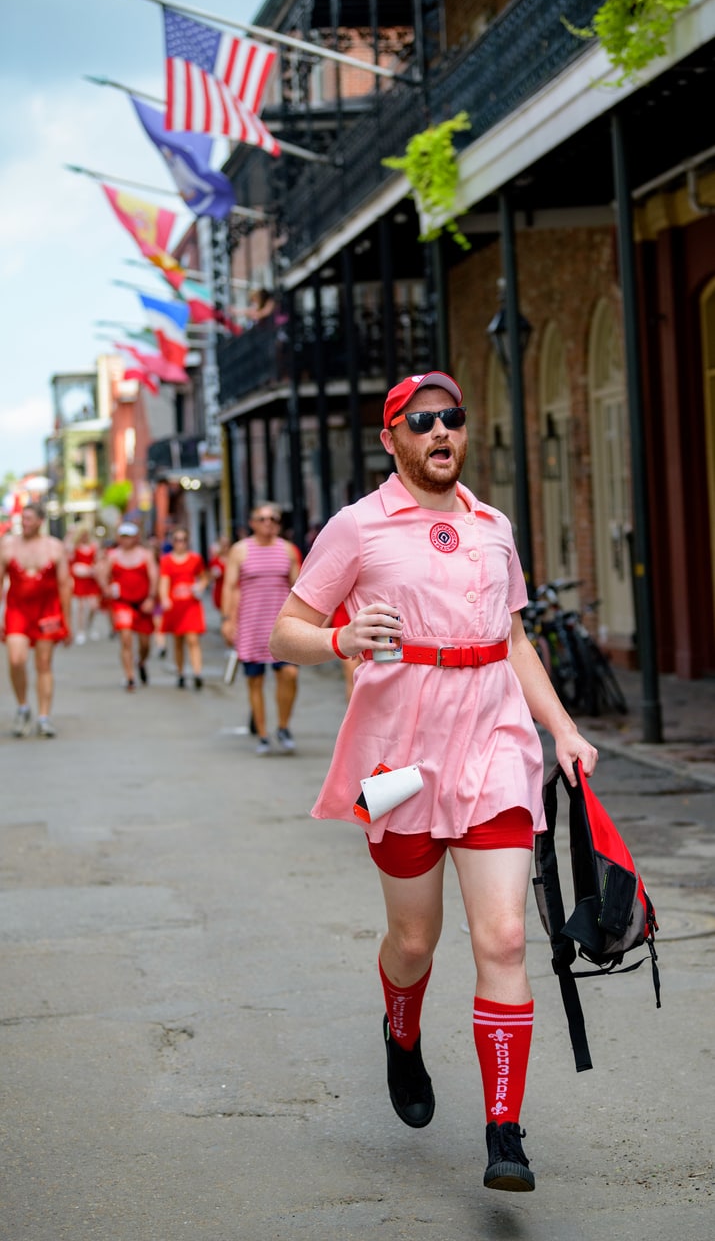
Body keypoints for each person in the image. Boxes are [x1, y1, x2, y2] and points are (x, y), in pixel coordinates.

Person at [269, 370, 599, 1193]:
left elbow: (513, 638)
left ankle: (502, 1130)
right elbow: (286, 630)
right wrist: (341, 640)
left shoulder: (493, 525)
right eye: (420, 422)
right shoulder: (358, 527)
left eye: (450, 418)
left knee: (506, 939)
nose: (439, 432)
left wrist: (560, 729)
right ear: (392, 440)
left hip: (494, 748)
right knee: (415, 941)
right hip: (400, 759)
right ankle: (402, 1034)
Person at [221, 502, 301, 755]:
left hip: (282, 625)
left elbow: (299, 587)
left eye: (274, 519)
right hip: (251, 624)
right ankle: (264, 734)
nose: (268, 523)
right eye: (262, 518)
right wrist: (228, 620)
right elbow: (231, 587)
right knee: (255, 680)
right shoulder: (240, 551)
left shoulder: (288, 550)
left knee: (289, 674)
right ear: (252, 523)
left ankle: (283, 727)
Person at [0, 502, 72, 737]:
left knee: (44, 663)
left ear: (41, 521)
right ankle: (23, 707)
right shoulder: (8, 546)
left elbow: (64, 585)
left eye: (30, 518)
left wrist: (67, 621)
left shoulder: (54, 547)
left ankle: (43, 716)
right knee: (16, 660)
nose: (25, 522)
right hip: (17, 611)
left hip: (47, 612)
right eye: (23, 518)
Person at [97, 523, 158, 691]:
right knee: (126, 638)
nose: (126, 540)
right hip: (122, 603)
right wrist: (106, 588)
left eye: (129, 536)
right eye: (123, 536)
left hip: (143, 602)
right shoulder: (113, 556)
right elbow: (102, 574)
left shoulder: (146, 555)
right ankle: (130, 676)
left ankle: (141, 661)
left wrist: (151, 598)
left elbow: (154, 577)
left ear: (136, 537)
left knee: (145, 644)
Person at [159, 528, 208, 689]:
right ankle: (180, 672)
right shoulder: (166, 561)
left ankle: (197, 672)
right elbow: (164, 581)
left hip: (191, 604)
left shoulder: (195, 559)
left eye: (183, 539)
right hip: (175, 605)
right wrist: (164, 598)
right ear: (172, 542)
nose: (180, 543)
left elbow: (203, 577)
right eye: (177, 539)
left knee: (193, 639)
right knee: (178, 641)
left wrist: (200, 587)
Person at [69, 527, 101, 643]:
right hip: (80, 579)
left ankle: (90, 625)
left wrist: (94, 569)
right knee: (81, 607)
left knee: (94, 606)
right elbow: (70, 562)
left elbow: (98, 561)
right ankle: (80, 630)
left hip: (91, 579)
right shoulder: (75, 547)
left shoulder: (94, 546)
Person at [208, 534, 231, 612]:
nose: (225, 547)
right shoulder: (215, 560)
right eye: (223, 544)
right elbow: (211, 576)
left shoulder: (234, 558)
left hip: (232, 590)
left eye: (227, 544)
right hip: (220, 590)